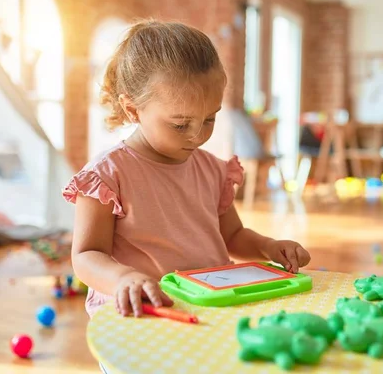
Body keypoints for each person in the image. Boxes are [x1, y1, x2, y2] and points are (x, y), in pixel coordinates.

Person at [62, 19, 311, 318]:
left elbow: (232, 236)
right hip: (143, 313)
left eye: (209, 118)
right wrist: (122, 278)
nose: (198, 135)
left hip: (209, 307)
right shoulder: (106, 176)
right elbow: (87, 255)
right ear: (132, 110)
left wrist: (269, 247)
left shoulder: (213, 171)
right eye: (180, 124)